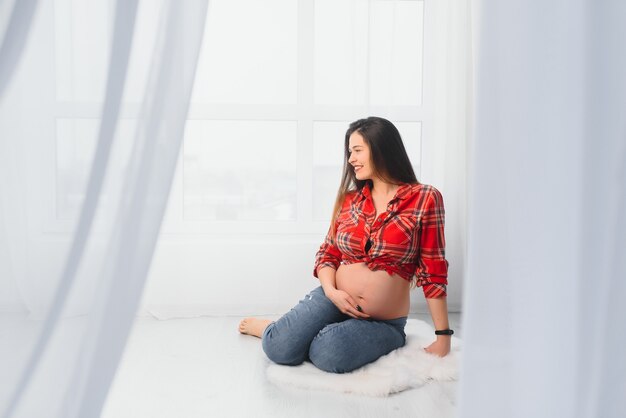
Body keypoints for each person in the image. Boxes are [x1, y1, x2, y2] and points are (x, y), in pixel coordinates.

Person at [238, 116, 452, 374]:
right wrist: (331, 292)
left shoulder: (425, 198)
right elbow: (328, 254)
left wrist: (443, 336)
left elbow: (433, 270)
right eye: (350, 152)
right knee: (278, 348)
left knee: (328, 354)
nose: (351, 159)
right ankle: (274, 329)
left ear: (382, 148)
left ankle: (306, 332)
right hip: (333, 298)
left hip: (382, 322)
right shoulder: (349, 200)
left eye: (358, 150)